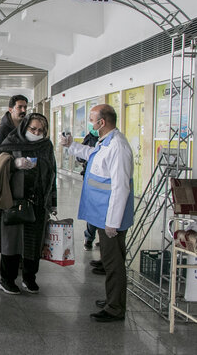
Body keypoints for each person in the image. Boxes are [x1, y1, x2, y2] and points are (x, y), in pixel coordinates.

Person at [60, 104, 134, 322]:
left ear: (102, 123)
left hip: (110, 218)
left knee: (113, 263)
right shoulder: (107, 142)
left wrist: (112, 222)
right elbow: (92, 154)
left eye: (92, 120)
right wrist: (71, 145)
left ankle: (115, 308)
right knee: (111, 261)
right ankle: (113, 299)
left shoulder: (118, 147)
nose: (90, 124)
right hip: (102, 214)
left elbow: (121, 187)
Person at [0, 113, 57, 295]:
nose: (36, 132)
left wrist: (52, 201)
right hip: (14, 202)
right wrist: (14, 164)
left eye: (40, 130)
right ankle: (7, 279)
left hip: (38, 202)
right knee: (11, 242)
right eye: (33, 129)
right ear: (25, 127)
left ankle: (30, 278)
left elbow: (52, 172)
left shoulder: (46, 145)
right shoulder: (11, 141)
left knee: (33, 242)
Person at [77, 131, 100, 252]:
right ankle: (90, 238)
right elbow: (80, 156)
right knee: (95, 211)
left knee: (97, 212)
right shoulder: (90, 138)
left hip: (101, 184)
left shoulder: (113, 141)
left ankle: (92, 238)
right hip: (92, 180)